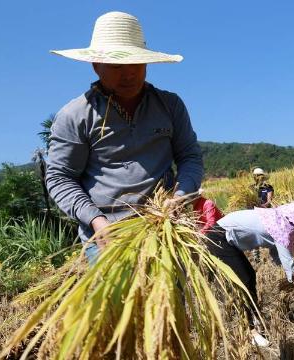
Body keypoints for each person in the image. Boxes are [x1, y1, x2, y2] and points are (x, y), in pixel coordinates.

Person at [45, 12, 203, 262]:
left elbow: (190, 156)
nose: (129, 75)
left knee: (169, 299)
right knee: (116, 301)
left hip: (165, 227)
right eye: (117, 66)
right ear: (96, 65)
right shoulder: (75, 115)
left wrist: (180, 197)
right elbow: (60, 177)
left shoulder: (169, 105)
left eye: (137, 65)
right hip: (108, 235)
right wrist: (96, 220)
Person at [205, 201, 294, 347]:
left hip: (223, 236)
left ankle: (254, 319)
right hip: (219, 238)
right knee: (244, 281)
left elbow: (280, 258)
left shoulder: (275, 219)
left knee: (249, 276)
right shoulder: (281, 228)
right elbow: (289, 268)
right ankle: (250, 332)